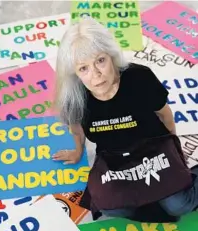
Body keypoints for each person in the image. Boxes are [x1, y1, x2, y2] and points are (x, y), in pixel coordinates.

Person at [52, 17, 198, 220]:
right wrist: (77, 152)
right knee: (109, 207)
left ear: (111, 56)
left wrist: (174, 149)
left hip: (153, 148)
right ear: (75, 73)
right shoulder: (75, 96)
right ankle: (154, 202)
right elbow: (76, 127)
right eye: (83, 68)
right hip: (115, 160)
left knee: (179, 205)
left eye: (100, 61)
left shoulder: (140, 77)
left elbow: (164, 114)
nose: (96, 75)